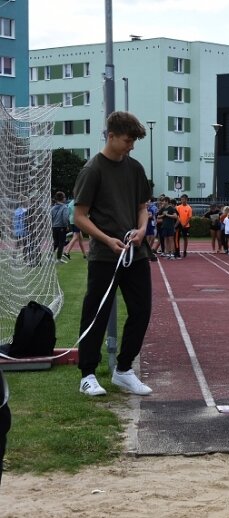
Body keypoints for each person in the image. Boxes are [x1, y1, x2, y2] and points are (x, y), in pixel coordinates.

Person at [72, 111, 153, 397]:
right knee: (96, 313)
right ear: (111, 136)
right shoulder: (92, 170)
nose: (131, 146)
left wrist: (142, 230)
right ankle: (88, 374)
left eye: (134, 141)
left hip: (136, 253)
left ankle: (123, 370)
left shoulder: (135, 168)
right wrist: (106, 239)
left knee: (142, 310)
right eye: (128, 140)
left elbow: (143, 206)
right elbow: (79, 216)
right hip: (105, 256)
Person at [50, 191, 70, 264]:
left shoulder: (53, 207)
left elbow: (50, 217)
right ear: (63, 198)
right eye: (64, 197)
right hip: (61, 227)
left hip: (54, 227)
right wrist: (66, 225)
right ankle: (58, 259)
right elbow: (65, 218)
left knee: (55, 242)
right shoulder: (64, 207)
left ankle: (49, 257)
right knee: (61, 243)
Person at [175, 194, 193, 258]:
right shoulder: (178, 207)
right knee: (177, 238)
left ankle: (185, 251)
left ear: (186, 199)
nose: (183, 200)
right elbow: (177, 215)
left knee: (185, 238)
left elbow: (189, 217)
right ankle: (177, 251)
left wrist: (185, 224)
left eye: (184, 199)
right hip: (179, 225)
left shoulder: (189, 208)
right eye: (181, 199)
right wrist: (179, 223)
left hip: (186, 226)